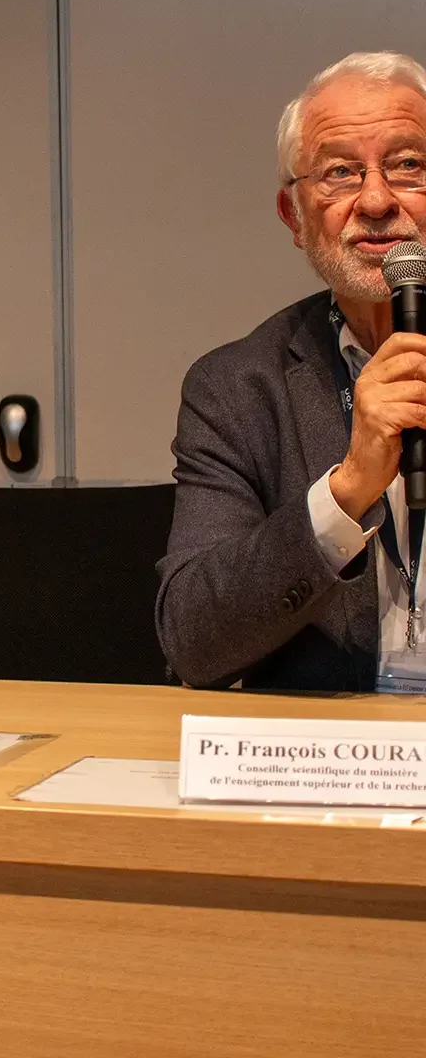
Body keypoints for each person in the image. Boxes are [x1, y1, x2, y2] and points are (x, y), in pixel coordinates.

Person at [158, 51, 426, 692]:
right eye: (340, 172)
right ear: (294, 218)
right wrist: (347, 492)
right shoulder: (237, 389)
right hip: (324, 761)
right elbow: (194, 643)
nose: (377, 199)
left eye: (408, 164)